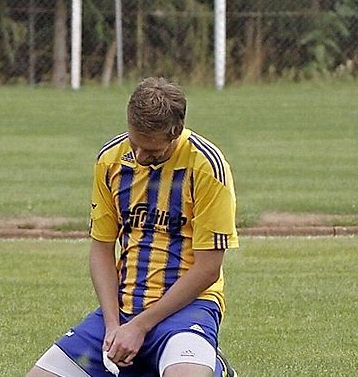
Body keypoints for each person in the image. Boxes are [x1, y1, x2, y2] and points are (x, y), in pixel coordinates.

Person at [26, 77, 238, 377]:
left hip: (188, 309)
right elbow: (101, 249)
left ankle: (212, 367)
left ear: (174, 133)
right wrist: (114, 326)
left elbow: (208, 269)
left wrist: (139, 327)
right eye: (134, 143)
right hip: (123, 307)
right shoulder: (111, 160)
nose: (139, 156)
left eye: (151, 151)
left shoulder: (206, 166)